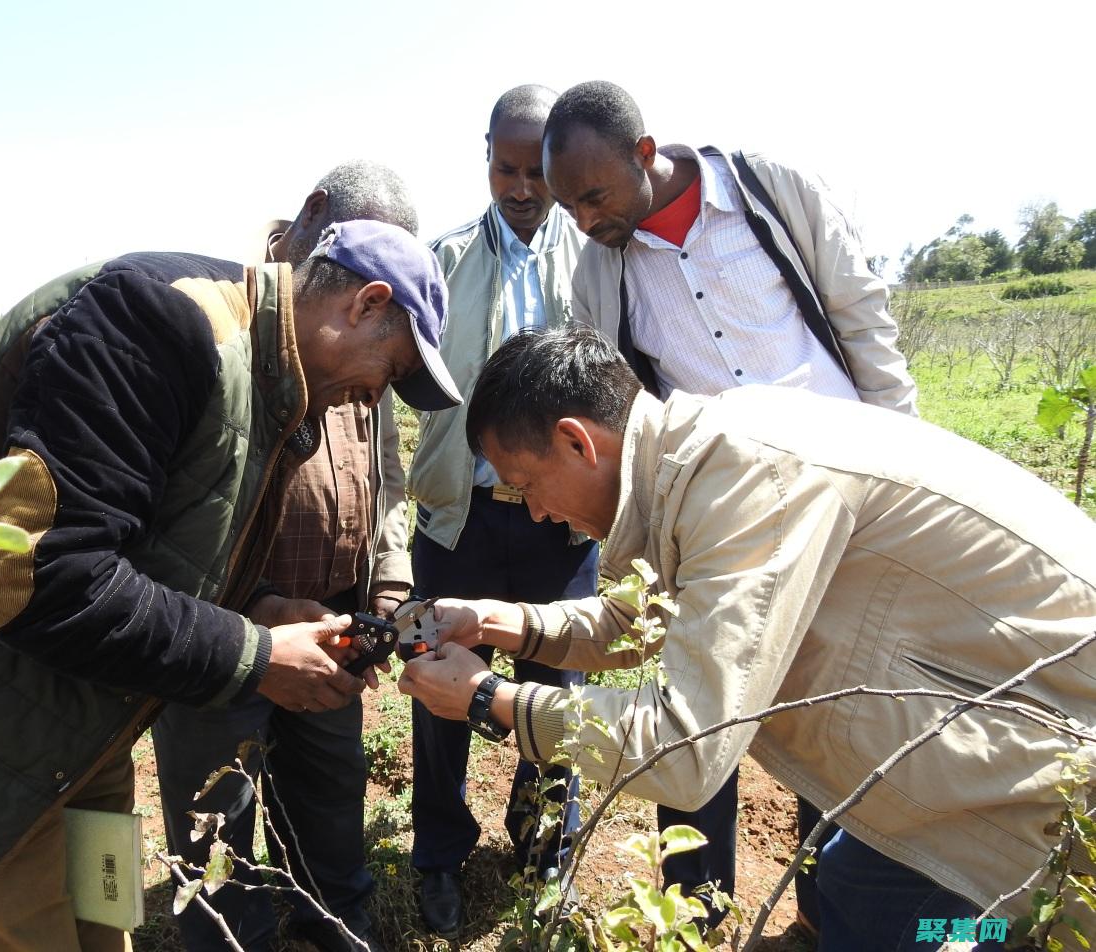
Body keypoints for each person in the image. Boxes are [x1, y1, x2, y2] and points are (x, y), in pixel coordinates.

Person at [0, 220, 461, 952]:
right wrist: (255, 654)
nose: (370, 401)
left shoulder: (261, 377)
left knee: (106, 928)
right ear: (363, 303)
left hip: (69, 728)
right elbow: (42, 581)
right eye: (390, 369)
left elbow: (130, 546)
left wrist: (257, 607)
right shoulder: (152, 319)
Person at [400, 325, 1096, 952]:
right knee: (857, 887)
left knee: (898, 919)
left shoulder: (744, 476)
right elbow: (637, 623)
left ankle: (1007, 936)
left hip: (1047, 742)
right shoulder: (693, 458)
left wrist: (488, 696)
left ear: (578, 441)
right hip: (961, 739)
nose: (541, 513)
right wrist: (494, 620)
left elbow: (686, 748)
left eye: (526, 485)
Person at [541, 79, 920, 924]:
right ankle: (694, 914)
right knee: (696, 709)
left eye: (594, 196)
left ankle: (831, 905)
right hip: (719, 519)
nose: (584, 220)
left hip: (845, 494)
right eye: (569, 204)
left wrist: (905, 452)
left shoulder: (771, 191)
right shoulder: (599, 268)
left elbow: (861, 318)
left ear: (646, 154)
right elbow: (618, 404)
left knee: (839, 705)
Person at [151, 161, 417, 952]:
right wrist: (256, 605)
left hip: (333, 618)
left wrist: (390, 587)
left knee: (330, 797)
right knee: (215, 815)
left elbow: (387, 474)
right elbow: (175, 510)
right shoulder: (222, 319)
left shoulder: (374, 327)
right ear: (314, 217)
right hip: (223, 621)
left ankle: (337, 926)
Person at [404, 85, 595, 939]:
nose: (520, 189)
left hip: (558, 518)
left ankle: (539, 844)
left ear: (558, 170)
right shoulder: (441, 261)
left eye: (535, 173)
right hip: (459, 516)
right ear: (486, 156)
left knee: (558, 678)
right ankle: (439, 853)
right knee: (438, 682)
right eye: (504, 168)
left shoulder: (592, 262)